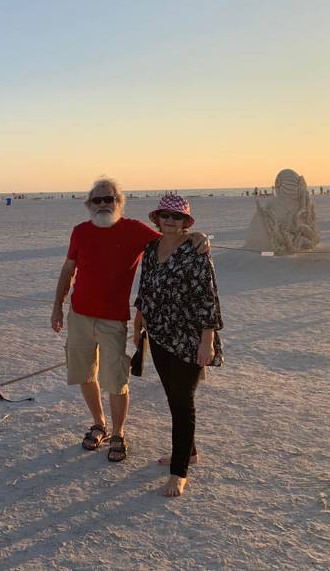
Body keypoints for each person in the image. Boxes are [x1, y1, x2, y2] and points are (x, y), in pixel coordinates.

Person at [51, 178, 208, 463]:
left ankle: (119, 434)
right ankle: (99, 424)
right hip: (79, 316)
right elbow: (68, 270)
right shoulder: (80, 232)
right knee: (85, 374)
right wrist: (56, 307)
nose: (103, 205)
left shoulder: (134, 230)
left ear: (118, 203)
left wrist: (195, 236)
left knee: (116, 380)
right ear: (89, 205)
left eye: (108, 199)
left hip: (113, 320)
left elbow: (169, 239)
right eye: (97, 200)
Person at [133, 193, 223, 497]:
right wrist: (138, 323)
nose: (171, 221)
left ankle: (179, 471)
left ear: (186, 222)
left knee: (183, 403)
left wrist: (207, 342)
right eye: (166, 216)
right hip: (158, 334)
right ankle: (190, 452)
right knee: (173, 397)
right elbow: (144, 288)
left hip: (188, 337)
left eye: (177, 217)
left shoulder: (196, 250)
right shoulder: (151, 248)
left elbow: (207, 298)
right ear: (157, 219)